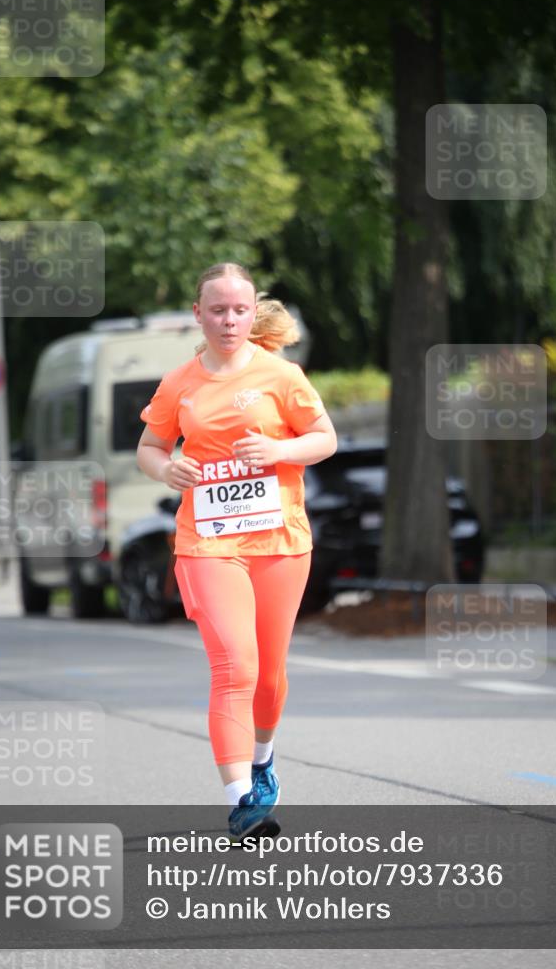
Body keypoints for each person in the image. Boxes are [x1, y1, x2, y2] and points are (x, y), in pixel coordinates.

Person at [136, 262, 337, 841]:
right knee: (234, 666)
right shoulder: (180, 383)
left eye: (239, 310)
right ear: (197, 314)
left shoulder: (282, 375)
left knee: (269, 677)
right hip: (207, 542)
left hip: (278, 541)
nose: (229, 320)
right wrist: (167, 466)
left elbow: (324, 439)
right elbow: (150, 446)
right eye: (217, 310)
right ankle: (242, 800)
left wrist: (277, 448)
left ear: (254, 314)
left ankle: (263, 760)